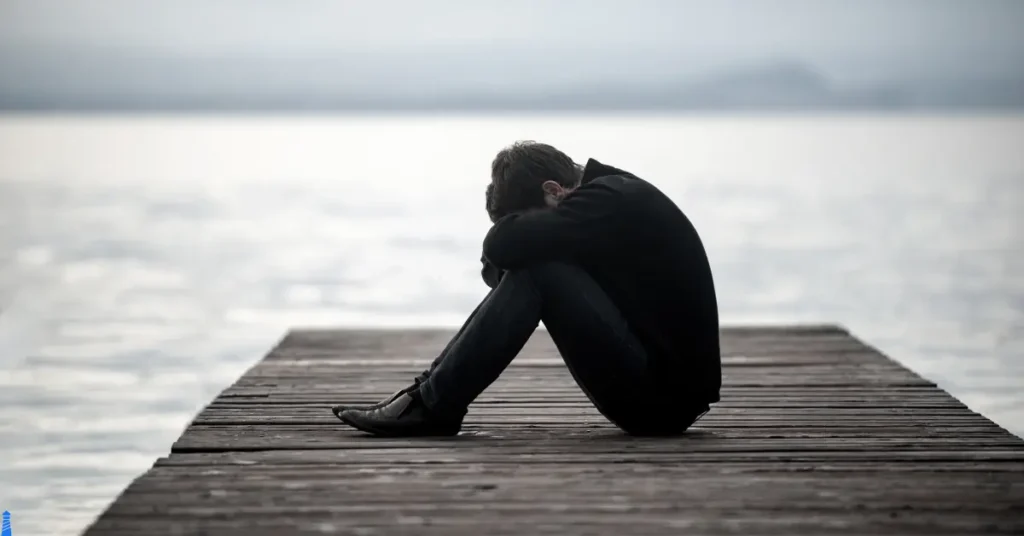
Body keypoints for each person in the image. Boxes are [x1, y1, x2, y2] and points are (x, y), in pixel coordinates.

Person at [332, 141, 721, 437]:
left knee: (537, 271)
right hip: (658, 398)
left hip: (661, 405)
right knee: (535, 268)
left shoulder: (611, 198)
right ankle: (429, 398)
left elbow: (502, 247)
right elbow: (503, 262)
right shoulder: (611, 200)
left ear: (555, 190)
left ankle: (431, 404)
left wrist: (516, 247)